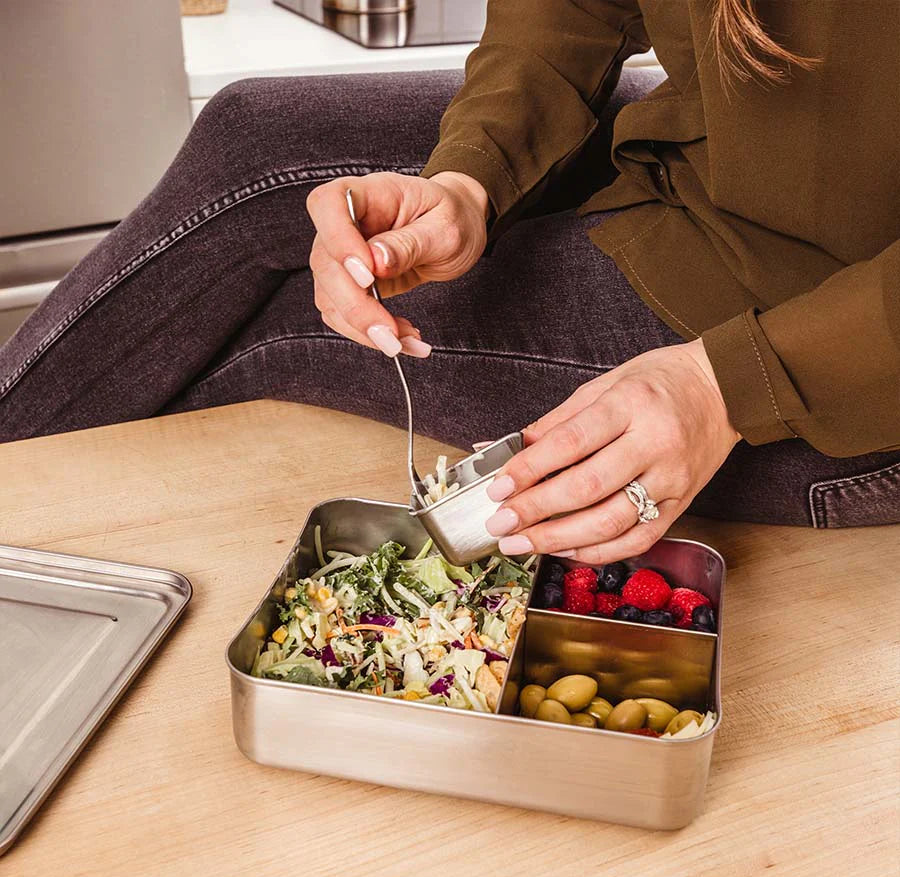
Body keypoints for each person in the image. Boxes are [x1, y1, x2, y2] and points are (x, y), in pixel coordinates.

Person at [1, 0, 897, 560]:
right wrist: (469, 180)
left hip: (842, 344)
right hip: (711, 158)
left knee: (266, 327)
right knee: (254, 131)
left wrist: (724, 386)